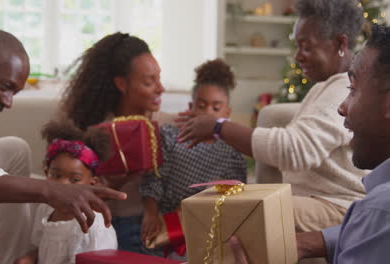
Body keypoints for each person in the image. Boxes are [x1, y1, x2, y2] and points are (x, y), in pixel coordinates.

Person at [0, 29, 125, 264]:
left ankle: (9, 260)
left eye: (14, 93)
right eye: (5, 86)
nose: (8, 102)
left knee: (13, 150)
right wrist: (49, 190)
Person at [177, 0, 366, 233]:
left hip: (337, 206)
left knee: (230, 212)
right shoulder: (324, 87)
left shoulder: (343, 88)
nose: (298, 56)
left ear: (340, 43)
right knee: (221, 203)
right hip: (314, 200)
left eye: (306, 47)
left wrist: (219, 127)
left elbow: (294, 150)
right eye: (296, 46)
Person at [231, 23, 390, 264]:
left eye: (354, 90)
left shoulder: (378, 211)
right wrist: (314, 242)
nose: (342, 107)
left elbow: (293, 149)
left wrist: (220, 127)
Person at [57, 32, 173, 255]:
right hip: (105, 228)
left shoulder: (164, 126)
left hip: (154, 229)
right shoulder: (94, 131)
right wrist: (111, 184)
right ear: (121, 84)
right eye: (149, 81)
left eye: (159, 78)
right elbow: (69, 193)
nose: (161, 88)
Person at [140, 59, 247, 248]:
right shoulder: (171, 136)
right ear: (191, 107)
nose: (207, 112)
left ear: (227, 112)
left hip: (207, 226)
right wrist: (151, 212)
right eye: (201, 105)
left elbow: (234, 196)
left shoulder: (232, 151)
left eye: (216, 108)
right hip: (166, 223)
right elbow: (154, 178)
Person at [15, 120, 118, 264]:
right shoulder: (45, 208)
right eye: (56, 176)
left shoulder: (95, 224)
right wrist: (29, 258)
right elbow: (40, 247)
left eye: (75, 179)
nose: (63, 185)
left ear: (92, 183)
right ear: (46, 173)